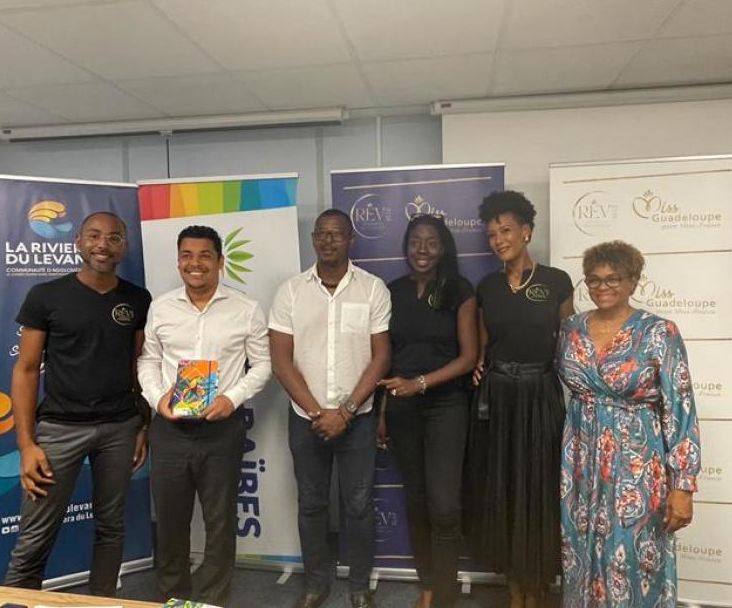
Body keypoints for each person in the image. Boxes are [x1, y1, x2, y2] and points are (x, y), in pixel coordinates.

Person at [3, 211, 152, 596]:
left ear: (124, 246)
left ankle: (102, 601)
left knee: (111, 528)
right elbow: (26, 370)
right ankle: (18, 603)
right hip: (59, 430)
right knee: (34, 536)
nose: (103, 244)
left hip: (120, 428)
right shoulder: (45, 297)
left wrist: (143, 424)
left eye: (113, 237)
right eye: (94, 236)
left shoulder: (138, 299)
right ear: (78, 242)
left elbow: (139, 367)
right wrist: (26, 444)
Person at [557, 240, 700, 608]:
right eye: (594, 279)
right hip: (580, 461)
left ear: (633, 281)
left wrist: (683, 486)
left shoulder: (659, 332)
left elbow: (681, 408)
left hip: (636, 463)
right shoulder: (570, 329)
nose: (602, 287)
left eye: (613, 278)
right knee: (579, 550)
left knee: (633, 554)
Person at [138, 225, 271, 605]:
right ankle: (174, 597)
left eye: (204, 256)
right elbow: (148, 360)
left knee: (220, 521)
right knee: (170, 521)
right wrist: (157, 399)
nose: (195, 264)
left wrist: (232, 398)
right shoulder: (161, 307)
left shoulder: (245, 309)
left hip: (221, 430)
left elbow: (263, 365)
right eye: (187, 255)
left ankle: (213, 599)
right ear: (178, 260)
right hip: (170, 430)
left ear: (220, 261)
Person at [269, 209, 392, 608]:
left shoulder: (372, 289)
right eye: (321, 233)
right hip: (306, 419)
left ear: (350, 239)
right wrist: (317, 411)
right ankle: (315, 583)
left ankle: (359, 586)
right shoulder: (290, 291)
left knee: (358, 505)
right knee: (311, 503)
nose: (327, 240)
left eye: (336, 234)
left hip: (358, 419)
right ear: (313, 240)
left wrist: (347, 410)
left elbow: (381, 356)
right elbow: (281, 360)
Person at [465, 190, 574, 608]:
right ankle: (515, 590)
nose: (498, 240)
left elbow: (570, 345)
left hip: (541, 396)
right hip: (498, 401)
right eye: (492, 234)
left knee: (539, 490)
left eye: (506, 230)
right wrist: (479, 367)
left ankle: (537, 585)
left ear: (526, 231)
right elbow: (484, 347)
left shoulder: (557, 282)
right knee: (504, 489)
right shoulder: (487, 287)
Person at [376, 215, 478, 608]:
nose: (422, 249)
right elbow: (386, 359)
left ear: (443, 247)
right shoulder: (392, 292)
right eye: (415, 241)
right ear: (406, 247)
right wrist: (382, 413)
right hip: (401, 409)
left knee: (445, 505)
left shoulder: (459, 289)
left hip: (446, 406)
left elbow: (468, 358)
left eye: (431, 242)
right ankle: (429, 586)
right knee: (416, 501)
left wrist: (420, 383)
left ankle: (446, 594)